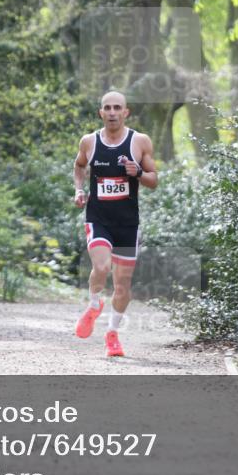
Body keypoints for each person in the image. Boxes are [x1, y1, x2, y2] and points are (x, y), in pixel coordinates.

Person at [72, 91, 158, 357]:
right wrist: (79, 189)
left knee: (122, 285)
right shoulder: (89, 141)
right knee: (101, 266)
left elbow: (153, 180)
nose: (112, 112)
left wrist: (139, 173)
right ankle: (94, 304)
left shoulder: (139, 141)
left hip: (127, 224)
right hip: (98, 219)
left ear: (125, 112)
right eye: (107, 108)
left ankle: (112, 334)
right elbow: (79, 166)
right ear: (101, 113)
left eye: (117, 108)